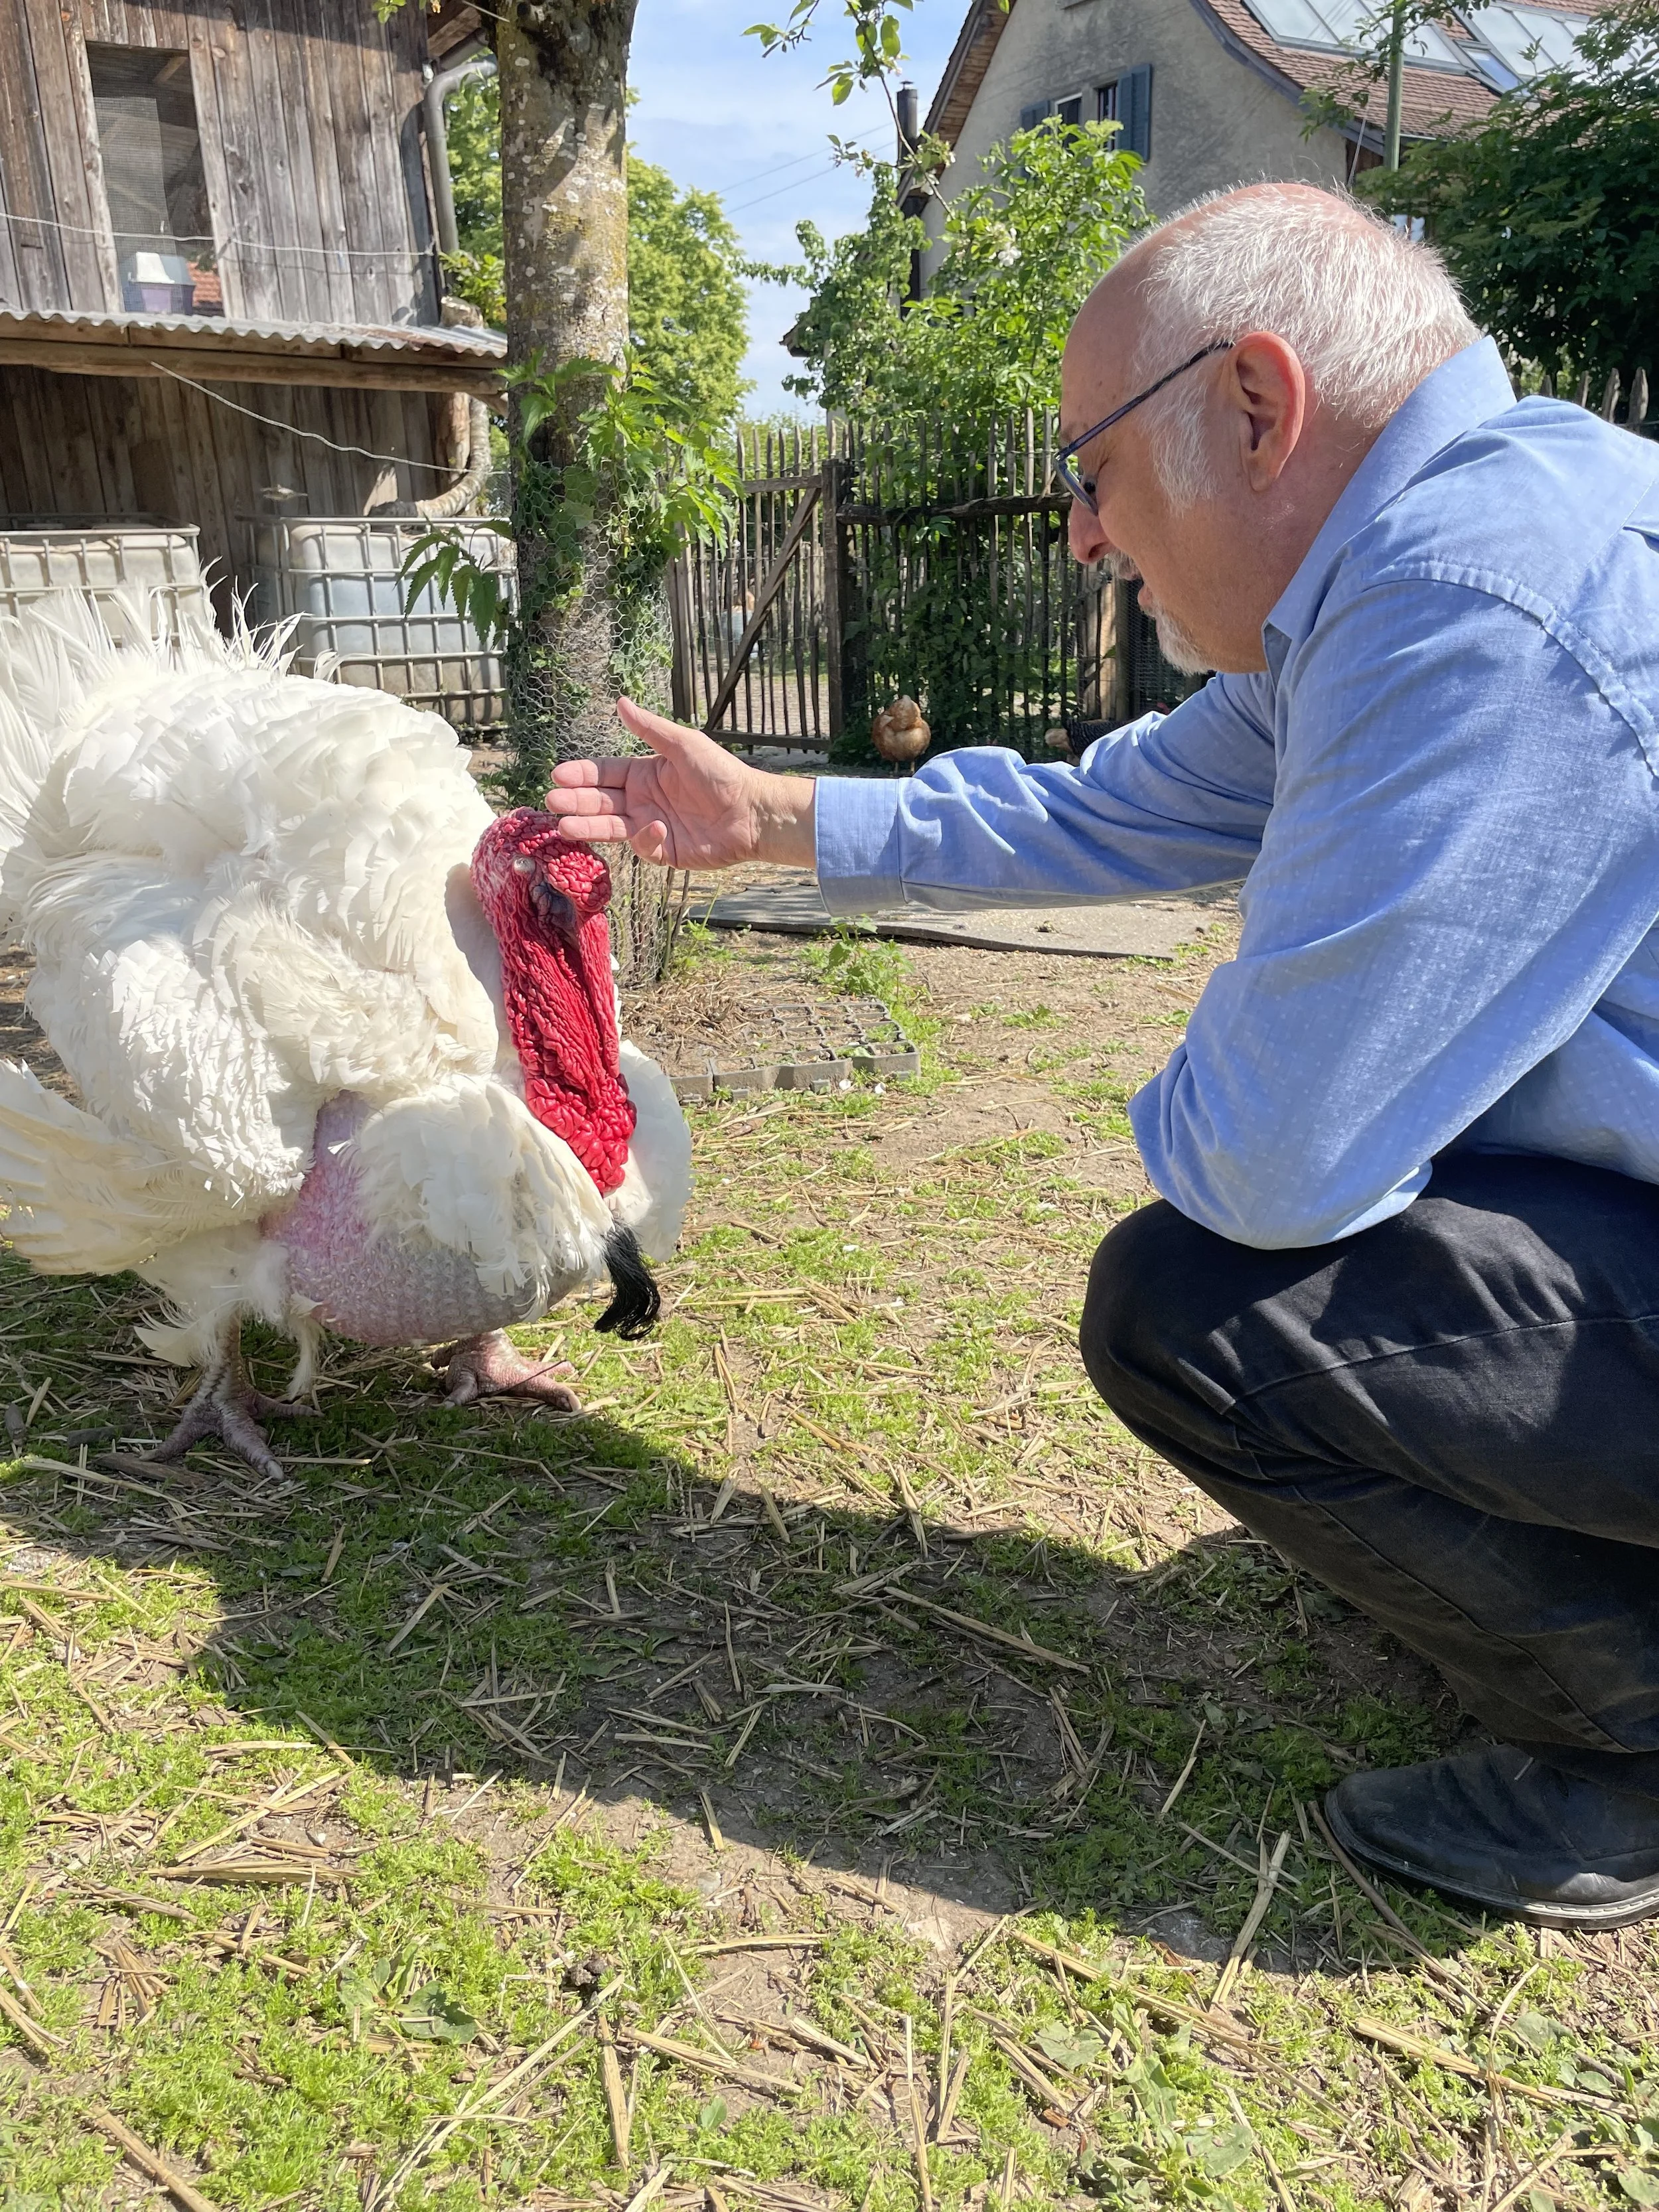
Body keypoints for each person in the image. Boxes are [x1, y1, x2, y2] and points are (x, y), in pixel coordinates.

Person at [545, 183, 1659, 1931]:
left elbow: (1270, 1158)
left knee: (1197, 1315)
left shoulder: (1467, 603)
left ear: (1253, 406)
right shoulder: (1423, 561)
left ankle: (1629, 1737)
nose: (1079, 531)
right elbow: (1109, 808)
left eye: (1093, 470)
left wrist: (1277, 1019)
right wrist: (770, 815)